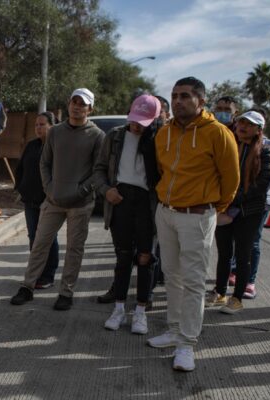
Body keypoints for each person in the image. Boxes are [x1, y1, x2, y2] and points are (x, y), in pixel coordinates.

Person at [147, 77, 239, 372]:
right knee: (171, 274)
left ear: (201, 101)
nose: (177, 101)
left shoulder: (218, 133)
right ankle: (174, 330)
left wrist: (215, 210)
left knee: (194, 281)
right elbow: (162, 171)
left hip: (198, 216)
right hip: (166, 212)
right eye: (174, 96)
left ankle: (187, 343)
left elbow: (231, 179)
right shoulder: (164, 133)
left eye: (185, 96)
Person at [10, 88, 104, 310]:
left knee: (74, 249)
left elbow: (99, 170)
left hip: (80, 205)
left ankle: (66, 292)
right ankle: (27, 287)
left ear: (90, 108)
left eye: (83, 103)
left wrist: (81, 191)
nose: (77, 106)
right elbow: (45, 163)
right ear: (69, 103)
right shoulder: (56, 132)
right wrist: (49, 188)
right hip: (53, 201)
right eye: (74, 101)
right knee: (39, 244)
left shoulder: (97, 136)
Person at [94, 95, 161, 334]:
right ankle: (119, 309)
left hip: (147, 203)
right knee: (123, 257)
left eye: (143, 122)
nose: (136, 125)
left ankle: (141, 311)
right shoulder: (115, 136)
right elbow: (99, 170)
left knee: (145, 258)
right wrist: (106, 190)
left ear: (154, 120)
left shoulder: (159, 140)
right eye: (134, 119)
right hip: (120, 199)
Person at [206, 111, 270, 313]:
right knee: (224, 253)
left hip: (249, 212)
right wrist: (222, 201)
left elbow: (260, 186)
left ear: (258, 130)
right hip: (225, 208)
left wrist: (232, 200)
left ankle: (236, 298)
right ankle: (219, 292)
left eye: (250, 124)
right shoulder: (228, 146)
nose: (243, 126)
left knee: (243, 255)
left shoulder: (265, 152)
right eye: (241, 122)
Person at [13, 112, 60, 291]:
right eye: (36, 125)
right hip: (30, 201)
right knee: (34, 237)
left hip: (49, 202)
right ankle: (35, 274)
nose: (38, 128)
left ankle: (48, 275)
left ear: (52, 126)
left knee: (48, 239)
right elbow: (21, 169)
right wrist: (20, 188)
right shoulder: (31, 145)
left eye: (42, 124)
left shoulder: (56, 147)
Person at [244, 108, 270, 298]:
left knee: (254, 241)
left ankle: (250, 281)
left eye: (252, 123)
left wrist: (253, 193)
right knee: (237, 242)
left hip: (259, 202)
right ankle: (235, 274)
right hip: (238, 200)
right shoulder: (239, 143)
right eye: (245, 122)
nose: (247, 127)